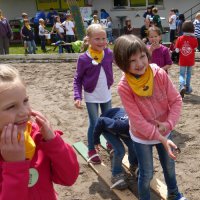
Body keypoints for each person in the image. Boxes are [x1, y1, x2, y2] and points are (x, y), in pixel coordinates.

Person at [113, 34, 187, 200]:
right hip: (142, 136)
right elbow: (137, 121)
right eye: (132, 61)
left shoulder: (159, 73)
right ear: (122, 62)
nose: (139, 64)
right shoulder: (124, 86)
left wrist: (168, 124)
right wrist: (159, 137)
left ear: (147, 54)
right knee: (146, 173)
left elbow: (176, 100)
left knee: (169, 166)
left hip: (164, 130)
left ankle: (174, 194)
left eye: (142, 56)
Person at [0, 64, 79, 200]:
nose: (25, 112)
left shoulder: (37, 136)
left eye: (25, 101)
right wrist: (14, 167)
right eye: (11, 106)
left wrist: (54, 142)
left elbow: (69, 178)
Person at [73, 24, 114, 164]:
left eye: (103, 38)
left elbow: (123, 61)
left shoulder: (108, 54)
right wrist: (77, 96)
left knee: (108, 121)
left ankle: (110, 142)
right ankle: (91, 149)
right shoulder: (84, 58)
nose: (101, 41)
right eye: (97, 39)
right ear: (89, 40)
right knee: (94, 123)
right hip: (91, 96)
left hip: (106, 94)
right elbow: (77, 79)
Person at [94, 107, 138, 190]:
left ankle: (133, 165)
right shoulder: (121, 125)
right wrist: (96, 140)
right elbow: (101, 121)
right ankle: (116, 174)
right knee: (120, 150)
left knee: (134, 146)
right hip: (107, 128)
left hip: (125, 130)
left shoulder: (139, 127)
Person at [175, 20, 198, 98]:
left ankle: (182, 86)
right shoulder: (194, 39)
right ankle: (187, 88)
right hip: (190, 60)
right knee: (188, 74)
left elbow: (177, 50)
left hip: (182, 60)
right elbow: (195, 49)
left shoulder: (180, 38)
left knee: (182, 74)